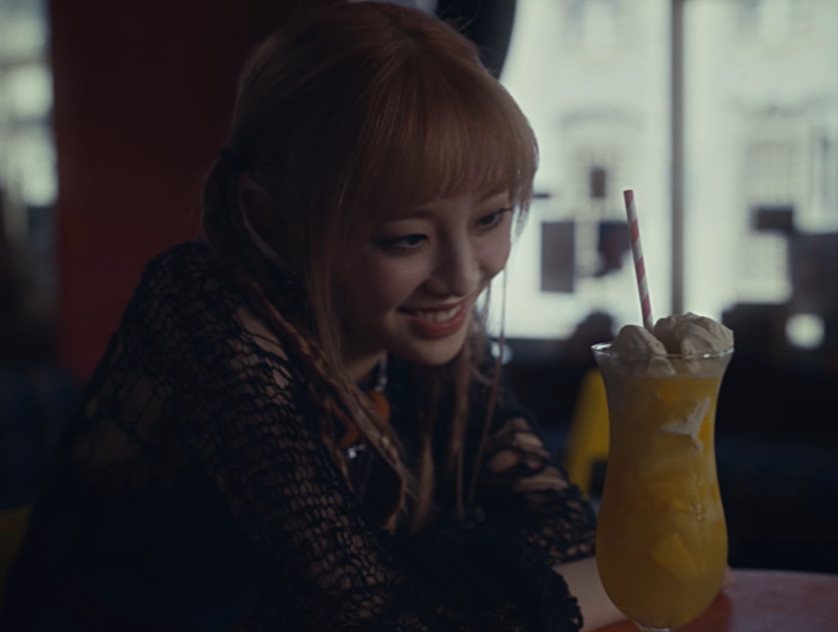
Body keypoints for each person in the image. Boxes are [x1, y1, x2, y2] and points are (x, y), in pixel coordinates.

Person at [0, 2, 624, 630]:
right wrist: (610, 587)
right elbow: (374, 618)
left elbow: (565, 529)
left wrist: (432, 586)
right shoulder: (205, 313)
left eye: (489, 218)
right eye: (407, 238)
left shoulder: (427, 334)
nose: (463, 277)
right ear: (273, 219)